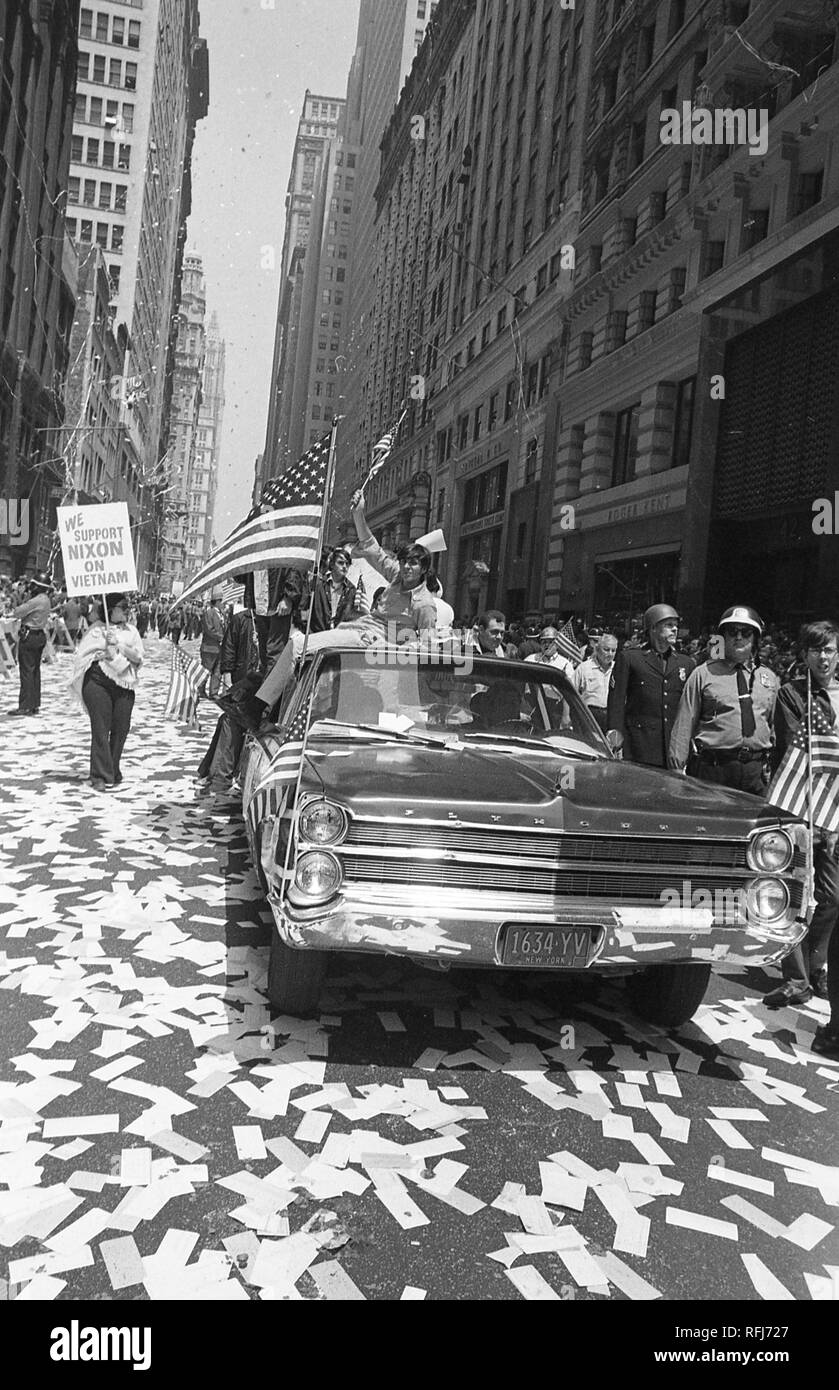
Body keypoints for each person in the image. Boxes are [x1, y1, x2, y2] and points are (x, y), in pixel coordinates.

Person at [763, 620, 839, 1007]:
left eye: (829, 650)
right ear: (805, 655)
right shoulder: (793, 694)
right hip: (798, 805)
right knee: (793, 891)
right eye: (815, 650)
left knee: (831, 896)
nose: (822, 657)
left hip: (836, 810)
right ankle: (795, 978)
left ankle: (816, 964)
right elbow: (801, 754)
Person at [668, 605, 778, 794]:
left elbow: (773, 726)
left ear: (756, 638)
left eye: (746, 632)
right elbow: (684, 725)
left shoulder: (768, 679)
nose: (739, 637)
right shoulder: (703, 674)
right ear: (723, 637)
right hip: (714, 769)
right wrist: (677, 768)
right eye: (732, 631)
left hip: (755, 772)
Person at [607, 603, 695, 767]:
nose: (675, 630)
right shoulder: (631, 659)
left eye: (676, 625)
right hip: (638, 745)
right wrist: (615, 737)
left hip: (672, 747)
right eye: (669, 625)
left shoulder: (686, 663)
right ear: (653, 628)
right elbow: (616, 701)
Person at [70, 593, 143, 791]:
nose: (127, 610)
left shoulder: (132, 631)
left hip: (125, 682)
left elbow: (138, 658)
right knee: (101, 728)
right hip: (97, 682)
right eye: (122, 607)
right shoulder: (96, 631)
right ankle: (100, 775)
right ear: (110, 609)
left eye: (128, 607)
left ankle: (112, 766)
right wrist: (102, 650)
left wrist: (119, 645)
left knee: (121, 727)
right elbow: (84, 655)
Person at [349, 490, 438, 633]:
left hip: (377, 649)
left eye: (413, 563)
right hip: (360, 630)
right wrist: (358, 514)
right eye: (403, 562)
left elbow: (426, 646)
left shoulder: (424, 605)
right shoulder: (398, 574)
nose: (406, 567)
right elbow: (372, 548)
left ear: (423, 569)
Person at [8, 572, 52, 717]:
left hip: (29, 635)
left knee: (26, 671)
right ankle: (34, 704)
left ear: (39, 586)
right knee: (35, 671)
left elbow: (17, 612)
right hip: (39, 635)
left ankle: (25, 705)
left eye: (34, 585)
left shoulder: (35, 600)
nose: (31, 587)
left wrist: (24, 599)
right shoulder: (46, 599)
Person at [575, 632, 618, 733]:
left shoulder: (619, 669)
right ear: (598, 649)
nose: (610, 654)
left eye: (613, 650)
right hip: (590, 715)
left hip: (612, 716)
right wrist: (566, 716)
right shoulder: (584, 668)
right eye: (606, 650)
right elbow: (571, 690)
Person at [310, 547, 358, 631]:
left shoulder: (351, 589)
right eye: (340, 563)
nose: (344, 566)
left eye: (347, 564)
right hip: (317, 635)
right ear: (331, 564)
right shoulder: (318, 584)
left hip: (338, 637)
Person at [199, 591, 225, 695]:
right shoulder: (209, 613)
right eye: (222, 601)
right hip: (209, 647)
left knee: (217, 671)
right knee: (206, 670)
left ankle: (213, 692)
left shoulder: (221, 614)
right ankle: (200, 689)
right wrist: (221, 637)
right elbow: (209, 629)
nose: (223, 604)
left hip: (219, 648)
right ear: (217, 602)